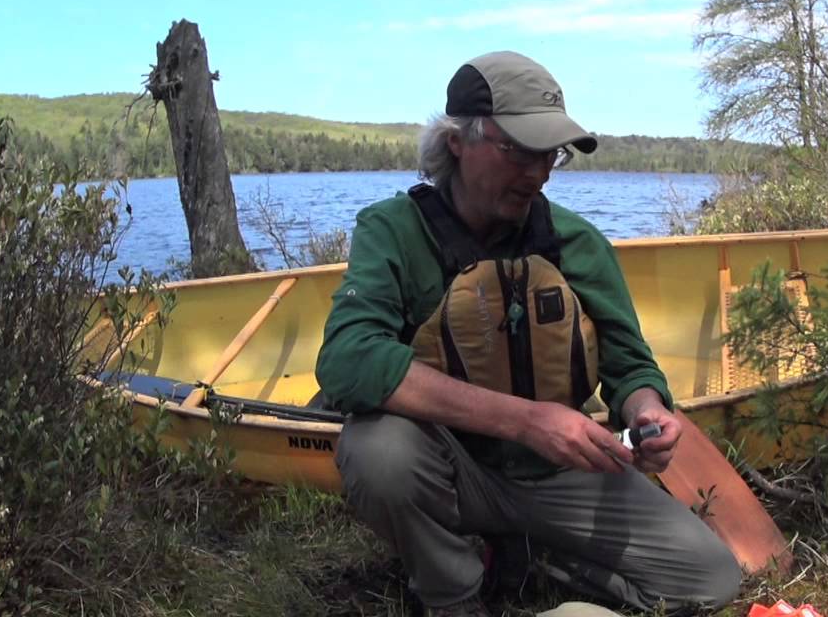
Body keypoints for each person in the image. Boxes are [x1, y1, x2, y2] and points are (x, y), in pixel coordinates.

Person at [314, 51, 741, 617]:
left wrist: (646, 412)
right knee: (377, 450)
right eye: (520, 150)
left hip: (559, 474)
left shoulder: (578, 242)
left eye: (551, 154)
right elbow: (347, 358)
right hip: (450, 473)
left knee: (711, 580)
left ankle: (534, 559)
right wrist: (526, 420)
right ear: (457, 142)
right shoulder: (393, 231)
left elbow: (629, 365)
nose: (538, 172)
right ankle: (454, 597)